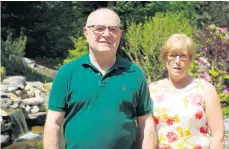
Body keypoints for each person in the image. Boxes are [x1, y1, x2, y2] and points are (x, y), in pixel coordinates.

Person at [43, 8, 157, 149]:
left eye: (113, 29)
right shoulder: (67, 73)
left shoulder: (134, 73)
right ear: (86, 32)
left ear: (120, 34)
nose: (106, 34)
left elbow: (145, 123)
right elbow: (53, 123)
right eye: (99, 28)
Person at [149, 33, 225, 149]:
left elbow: (218, 135)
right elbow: (148, 134)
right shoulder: (152, 91)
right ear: (165, 57)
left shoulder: (205, 90)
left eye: (183, 56)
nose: (177, 61)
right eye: (172, 55)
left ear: (190, 59)